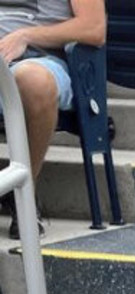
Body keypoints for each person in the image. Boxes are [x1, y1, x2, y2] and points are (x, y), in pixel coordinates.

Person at [0, 0, 106, 237]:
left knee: (35, 81)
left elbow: (94, 27)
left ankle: (23, 192)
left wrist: (25, 36)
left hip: (38, 60)